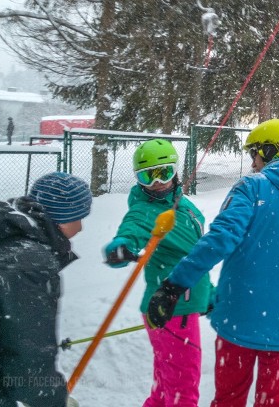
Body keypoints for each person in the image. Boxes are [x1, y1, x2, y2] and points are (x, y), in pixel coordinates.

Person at [147, 119, 279, 407]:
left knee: (229, 399)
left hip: (238, 322)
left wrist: (174, 285)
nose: (253, 163)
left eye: (254, 154)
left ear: (272, 150)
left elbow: (219, 240)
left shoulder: (251, 188)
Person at [103, 139, 212, 407]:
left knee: (166, 389)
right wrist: (121, 249)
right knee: (182, 391)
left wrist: (207, 294)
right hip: (170, 308)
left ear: (175, 172)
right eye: (147, 176)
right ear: (138, 180)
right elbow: (130, 232)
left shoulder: (185, 206)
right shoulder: (144, 211)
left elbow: (193, 255)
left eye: (164, 172)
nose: (158, 183)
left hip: (181, 305)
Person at [0, 172, 92, 407]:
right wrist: (52, 399)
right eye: (79, 217)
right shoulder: (28, 263)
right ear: (63, 218)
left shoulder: (7, 242)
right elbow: (29, 353)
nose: (82, 227)